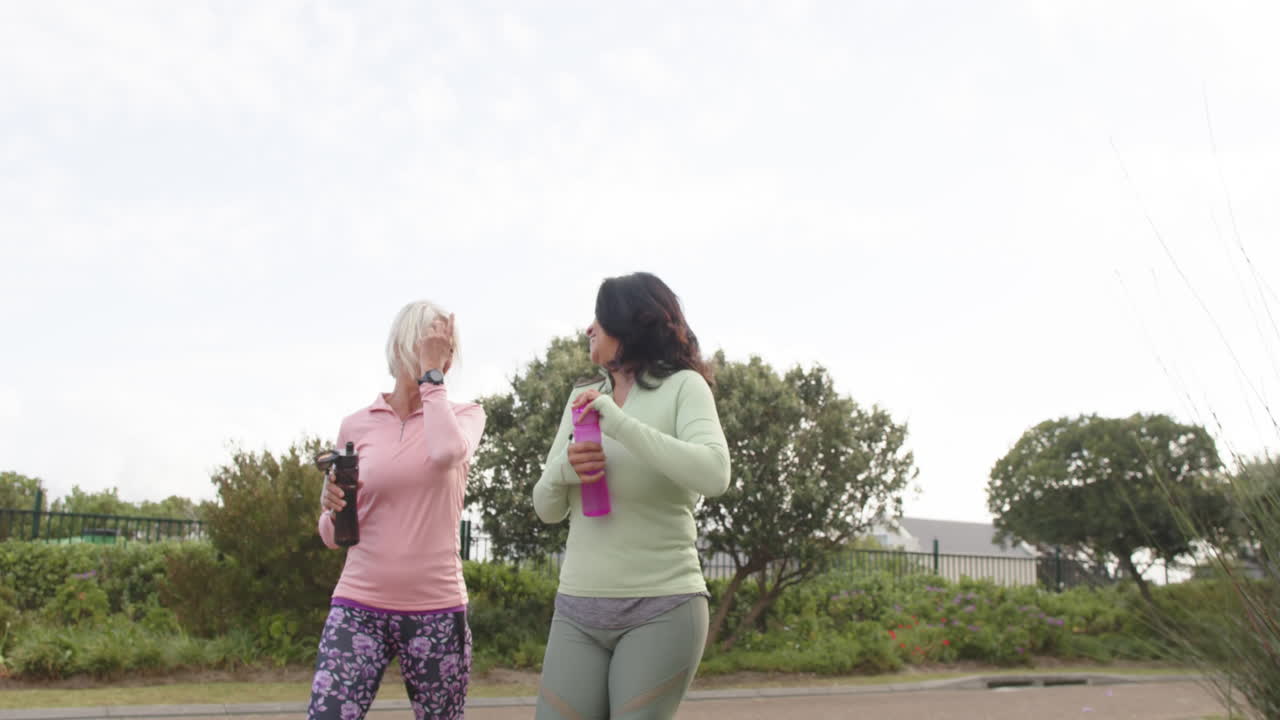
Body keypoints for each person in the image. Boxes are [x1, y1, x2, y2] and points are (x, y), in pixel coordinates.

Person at [533, 272, 732, 720]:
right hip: (577, 609)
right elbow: (546, 508)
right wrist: (566, 468)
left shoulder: (684, 387)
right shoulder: (581, 400)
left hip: (663, 606)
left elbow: (714, 472)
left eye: (599, 319)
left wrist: (619, 424)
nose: (589, 329)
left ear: (628, 326)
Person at [308, 301, 485, 720]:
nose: (446, 354)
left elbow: (445, 453)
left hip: (437, 607)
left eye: (447, 347)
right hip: (358, 603)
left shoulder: (465, 416)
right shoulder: (356, 424)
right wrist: (331, 508)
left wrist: (432, 380)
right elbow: (335, 537)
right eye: (435, 345)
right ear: (407, 345)